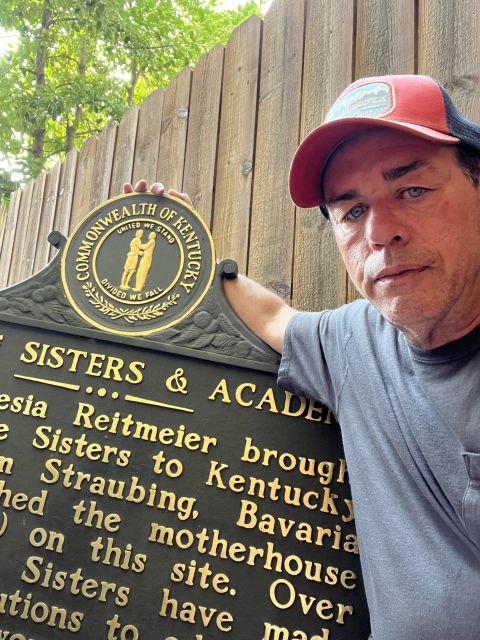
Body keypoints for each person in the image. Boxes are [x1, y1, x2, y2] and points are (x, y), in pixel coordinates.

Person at [124, 74, 480, 640]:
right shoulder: (353, 343)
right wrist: (180, 241)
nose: (381, 232)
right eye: (352, 211)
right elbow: (269, 316)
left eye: (412, 190)